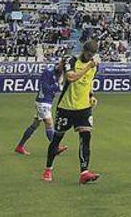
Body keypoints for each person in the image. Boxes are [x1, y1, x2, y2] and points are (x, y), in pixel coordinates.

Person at [43, 39, 101, 184]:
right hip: (66, 107)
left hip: (84, 108)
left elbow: (88, 82)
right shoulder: (71, 60)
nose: (90, 58)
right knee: (57, 139)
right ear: (83, 51)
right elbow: (71, 77)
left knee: (86, 137)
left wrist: (91, 95)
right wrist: (88, 66)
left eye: (92, 55)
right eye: (88, 55)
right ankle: (48, 169)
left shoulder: (94, 65)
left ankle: (84, 172)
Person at [15, 58, 67, 156]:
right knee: (49, 123)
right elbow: (45, 87)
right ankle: (55, 148)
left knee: (35, 124)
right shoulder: (48, 71)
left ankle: (20, 146)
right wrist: (57, 85)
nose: (64, 69)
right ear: (60, 63)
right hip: (42, 102)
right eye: (63, 66)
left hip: (47, 102)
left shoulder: (61, 73)